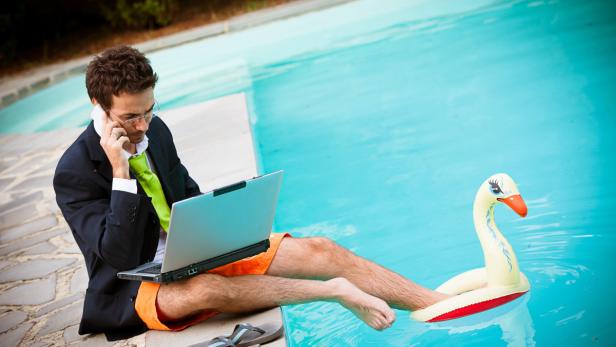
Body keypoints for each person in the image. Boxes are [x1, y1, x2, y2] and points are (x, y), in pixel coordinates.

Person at [53, 45, 448, 341]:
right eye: (130, 117)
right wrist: (121, 172)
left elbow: (186, 196)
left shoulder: (156, 130)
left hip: (192, 252)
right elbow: (118, 255)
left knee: (321, 249)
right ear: (98, 106)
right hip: (136, 287)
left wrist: (221, 228)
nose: (142, 124)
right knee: (206, 290)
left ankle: (438, 304)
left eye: (149, 110)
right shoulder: (74, 172)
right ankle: (334, 292)